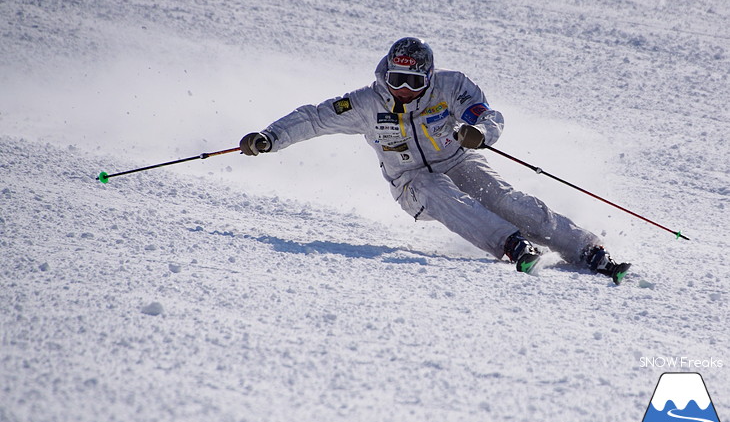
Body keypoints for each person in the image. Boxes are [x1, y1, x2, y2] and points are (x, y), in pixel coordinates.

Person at [240, 37, 630, 283]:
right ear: (384, 75)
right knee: (437, 189)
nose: (404, 90)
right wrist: (269, 138)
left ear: (428, 78)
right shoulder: (364, 103)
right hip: (410, 181)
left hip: (458, 161)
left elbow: (485, 114)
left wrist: (480, 134)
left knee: (504, 198)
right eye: (396, 80)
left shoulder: (451, 86)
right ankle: (511, 244)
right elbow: (313, 117)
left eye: (413, 82)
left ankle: (587, 249)